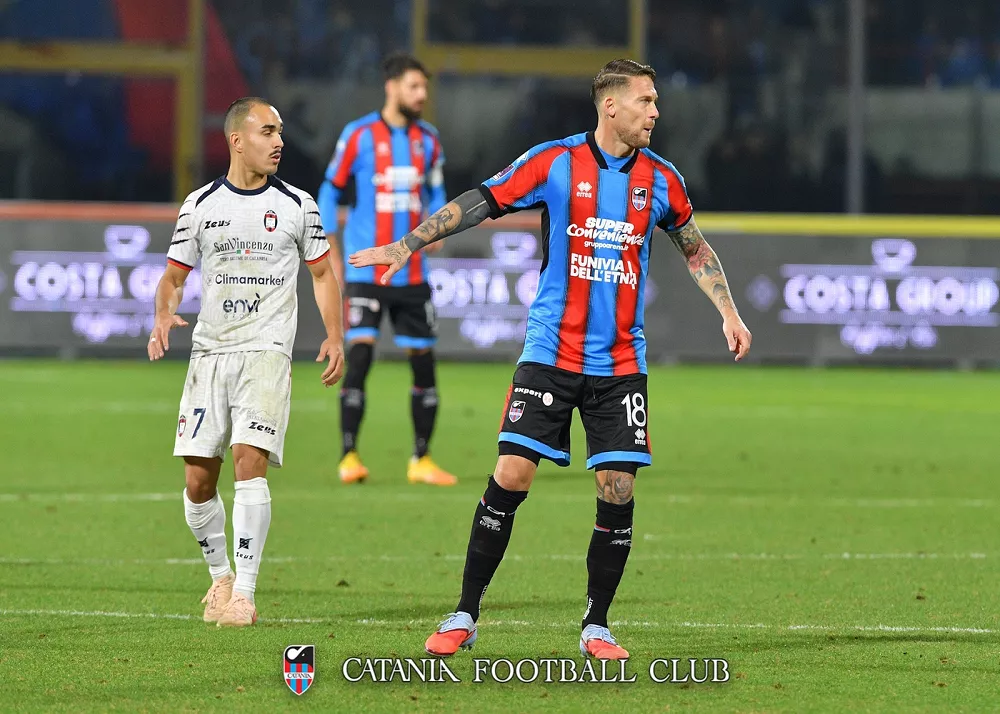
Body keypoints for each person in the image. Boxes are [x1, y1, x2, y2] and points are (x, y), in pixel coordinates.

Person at [349, 59, 752, 659]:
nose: (655, 111)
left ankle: (596, 625)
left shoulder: (663, 179)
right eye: (646, 100)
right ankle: (464, 613)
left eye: (655, 100)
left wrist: (729, 309)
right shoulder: (556, 161)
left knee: (617, 488)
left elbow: (693, 247)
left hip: (619, 362)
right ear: (611, 106)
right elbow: (481, 201)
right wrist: (408, 244)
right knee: (511, 476)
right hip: (550, 352)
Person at [148, 97, 345, 627]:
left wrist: (334, 335)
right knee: (197, 482)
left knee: (248, 464)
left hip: (266, 350)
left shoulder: (299, 205)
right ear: (238, 139)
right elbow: (173, 276)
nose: (279, 141)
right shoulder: (200, 206)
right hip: (210, 352)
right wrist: (163, 314)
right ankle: (220, 578)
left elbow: (323, 274)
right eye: (267, 131)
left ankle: (246, 596)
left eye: (280, 131)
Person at [318, 52, 456, 487]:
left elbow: (436, 194)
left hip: (413, 272)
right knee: (359, 355)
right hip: (366, 267)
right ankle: (349, 455)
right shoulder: (358, 136)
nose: (422, 95)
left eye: (424, 88)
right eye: (414, 86)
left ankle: (421, 458)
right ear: (392, 86)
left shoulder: (428, 140)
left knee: (423, 362)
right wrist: (329, 244)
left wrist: (439, 223)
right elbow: (330, 188)